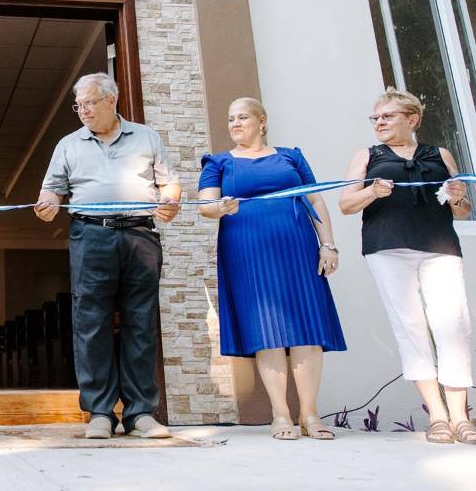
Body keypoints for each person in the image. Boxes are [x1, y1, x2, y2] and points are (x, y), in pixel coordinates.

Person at [35, 72, 181, 440]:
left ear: (111, 101)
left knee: (141, 321)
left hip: (139, 234)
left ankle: (140, 414)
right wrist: (48, 205)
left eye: (90, 102)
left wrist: (171, 201)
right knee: (91, 322)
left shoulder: (147, 137)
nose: (83, 110)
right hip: (90, 235)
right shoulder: (68, 144)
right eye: (78, 104)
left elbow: (171, 184)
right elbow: (52, 190)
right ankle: (99, 412)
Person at [197, 97, 346, 441]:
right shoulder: (218, 162)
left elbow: (316, 199)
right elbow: (205, 206)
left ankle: (310, 413)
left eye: (243, 117)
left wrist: (328, 243)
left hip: (298, 248)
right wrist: (219, 207)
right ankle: (281, 414)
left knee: (307, 329)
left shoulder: (290, 155)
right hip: (248, 252)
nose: (234, 124)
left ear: (262, 121)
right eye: (230, 118)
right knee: (267, 332)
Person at [339, 87, 475, 445]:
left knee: (453, 325)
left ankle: (462, 416)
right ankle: (439, 417)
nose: (380, 123)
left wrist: (460, 198)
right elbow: (346, 203)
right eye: (376, 118)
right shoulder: (367, 155)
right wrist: (372, 192)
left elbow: (461, 210)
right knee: (410, 326)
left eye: (387, 116)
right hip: (388, 248)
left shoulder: (438, 153)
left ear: (412, 120)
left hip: (439, 247)